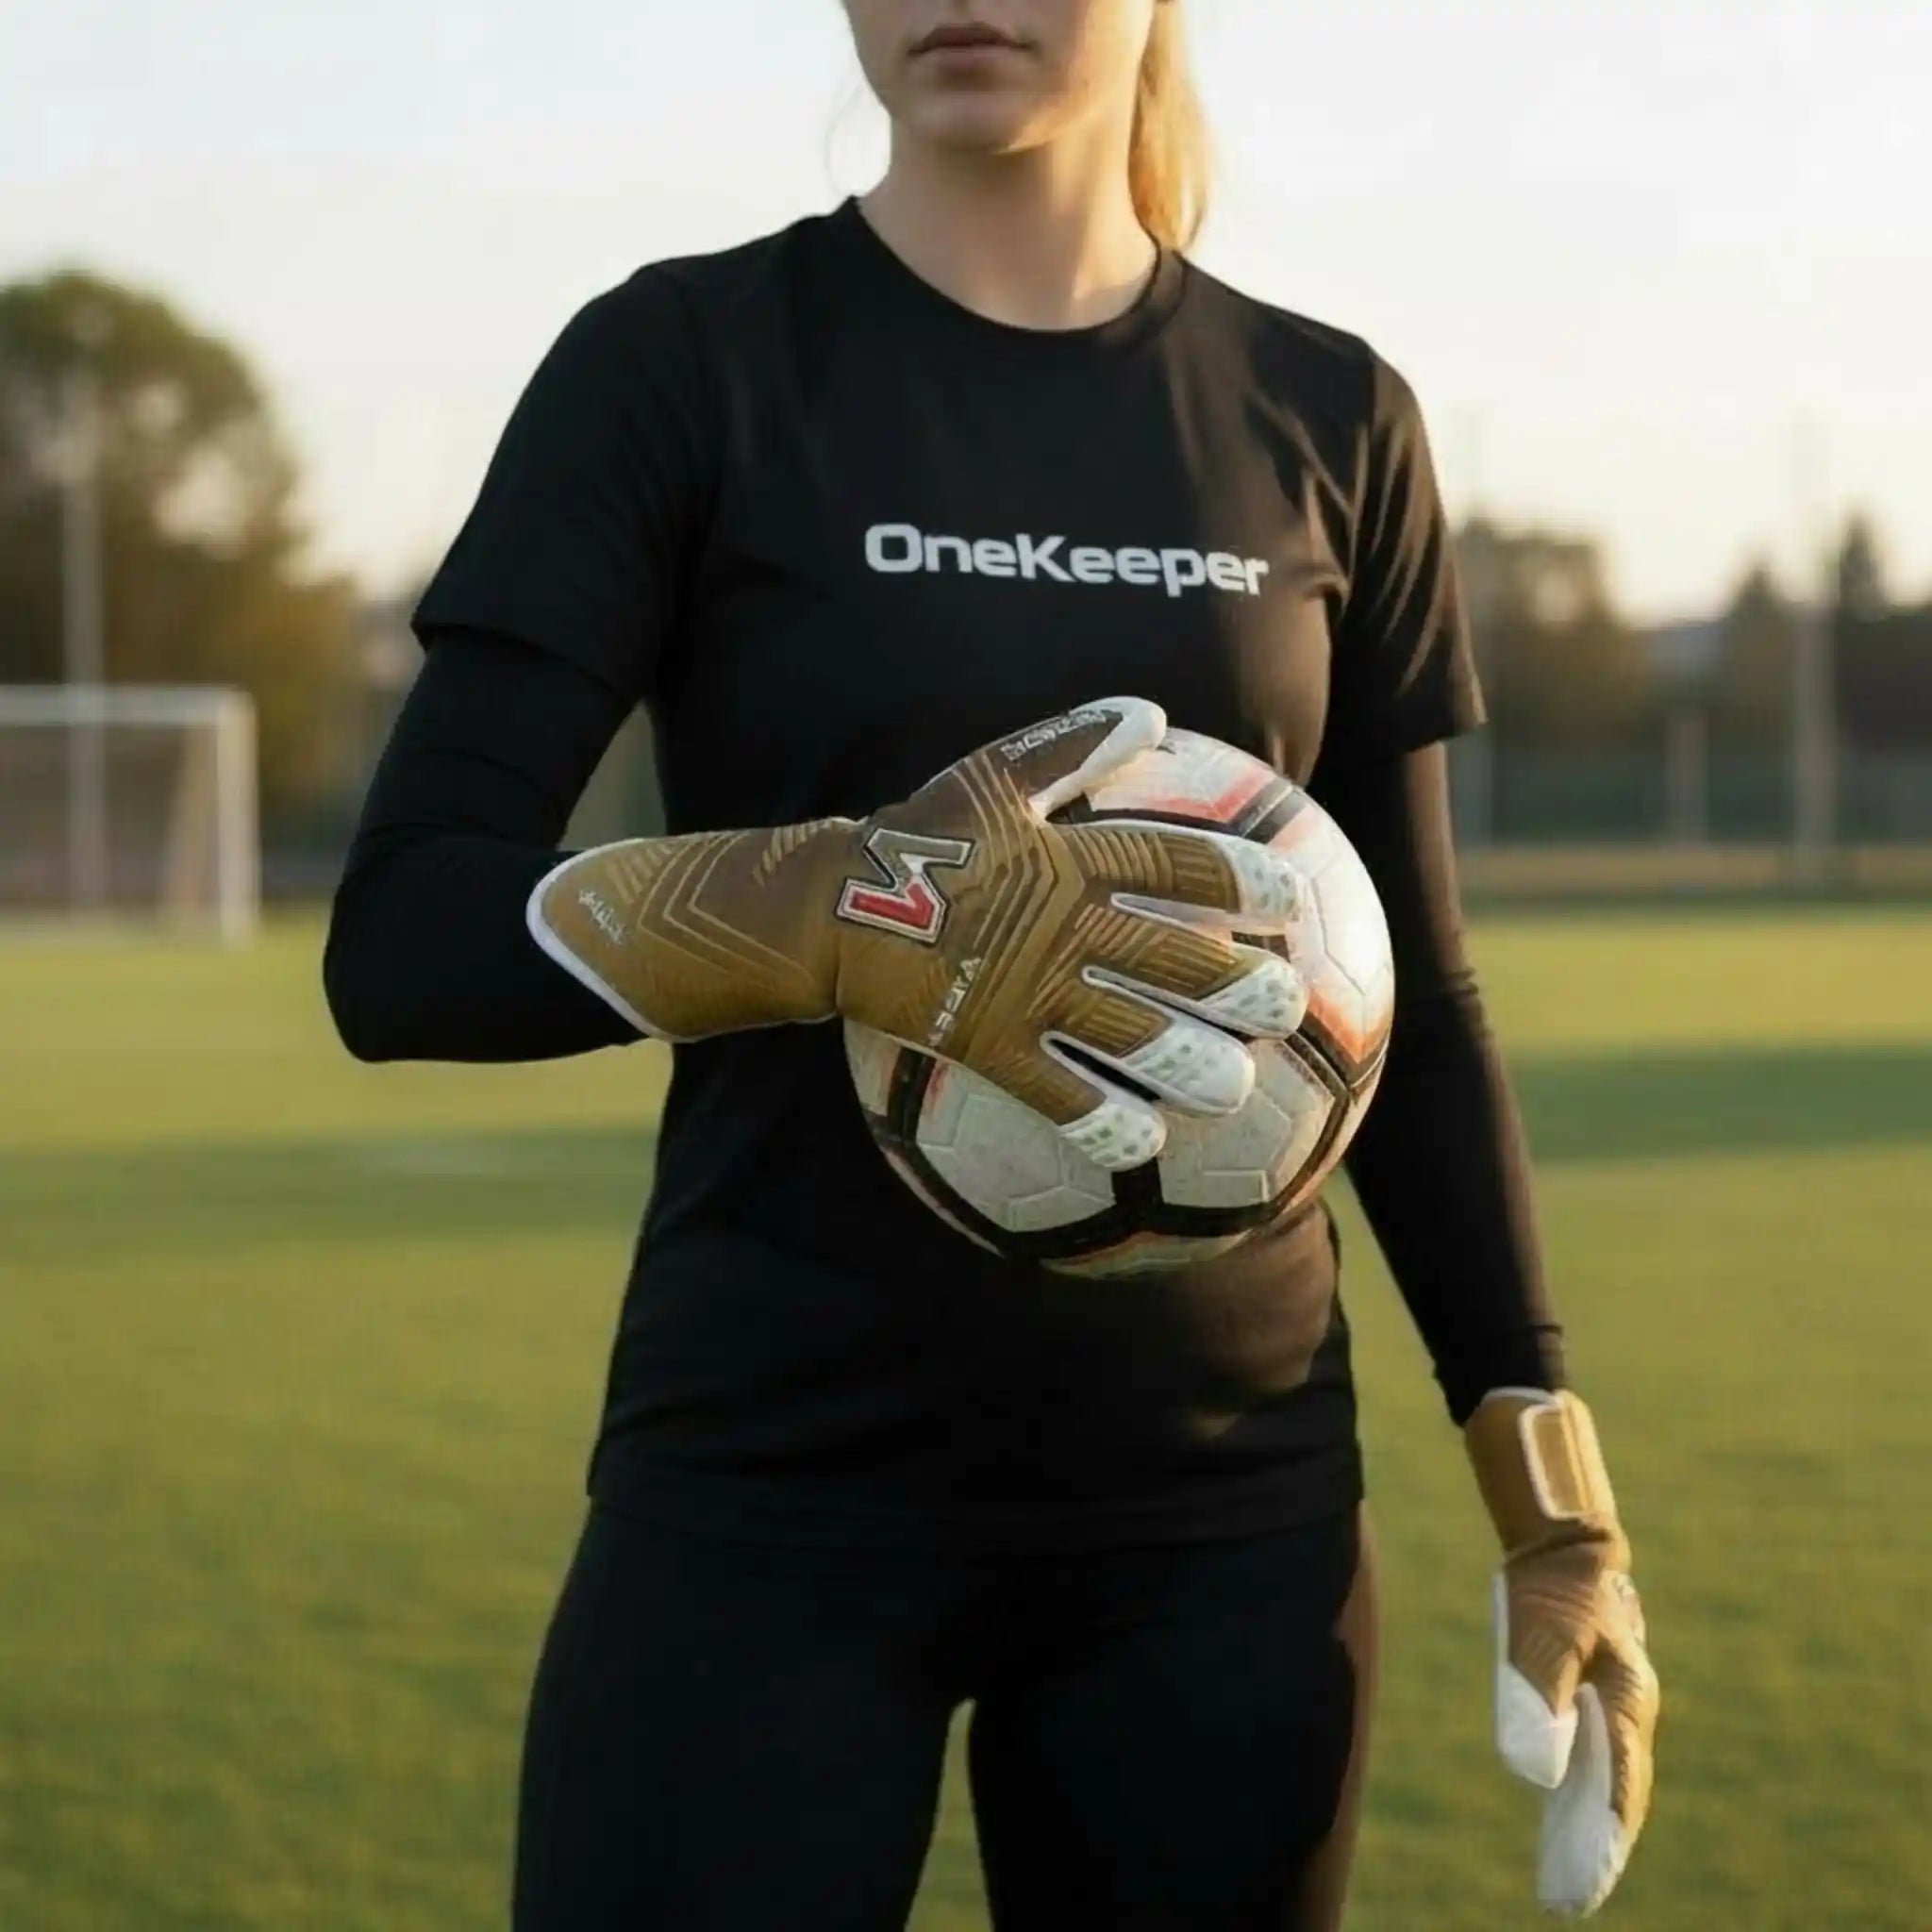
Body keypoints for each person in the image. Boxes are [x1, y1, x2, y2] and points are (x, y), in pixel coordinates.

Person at [323, 3, 1659, 1925]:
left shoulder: (1328, 411)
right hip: (769, 1496)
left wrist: (1553, 1491)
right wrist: (836, 909)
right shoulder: (679, 364)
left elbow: (1413, 1003)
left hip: (1224, 1532)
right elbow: (405, 942)